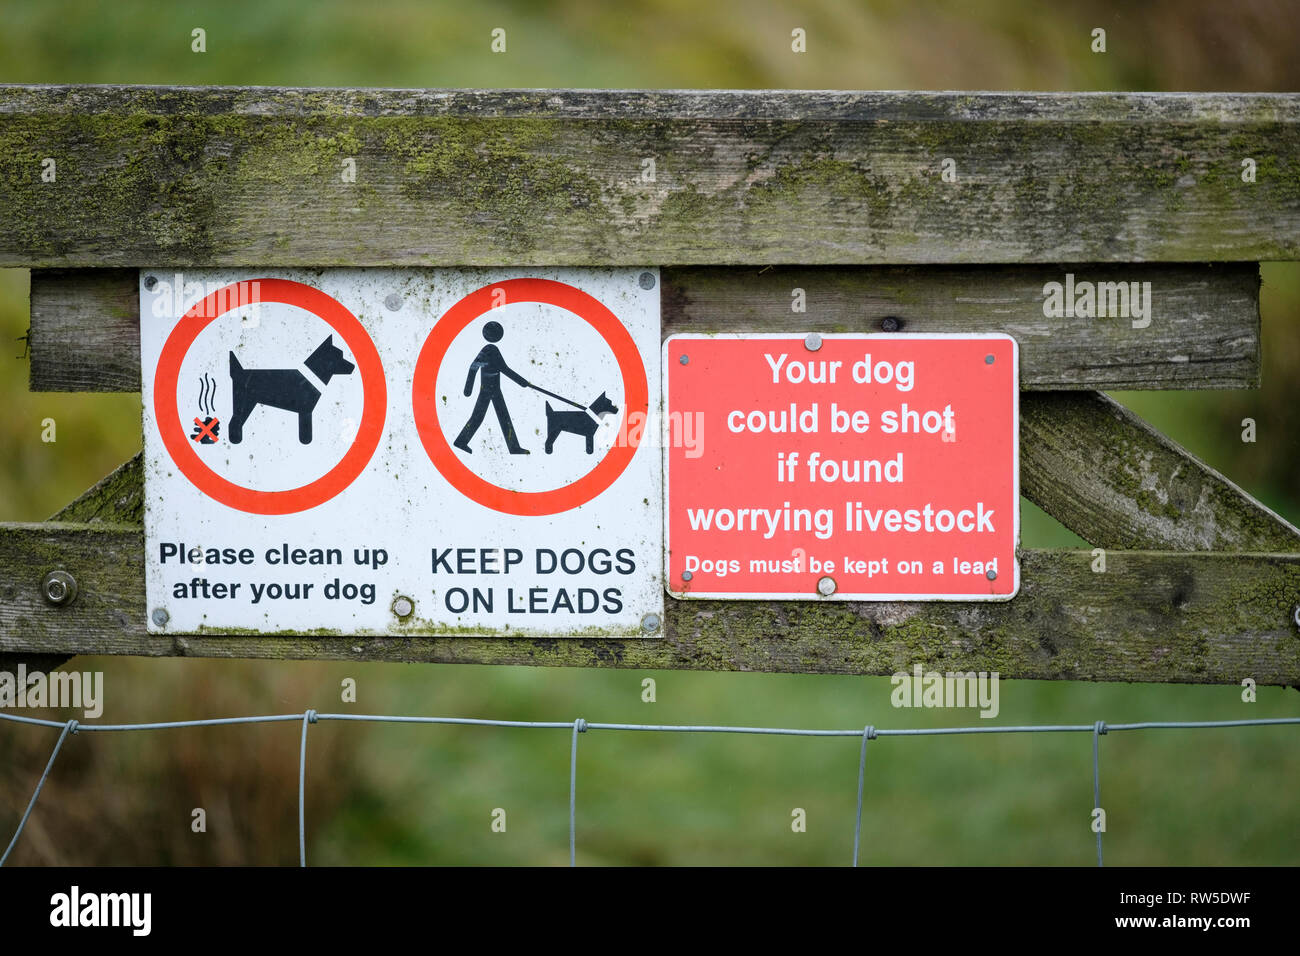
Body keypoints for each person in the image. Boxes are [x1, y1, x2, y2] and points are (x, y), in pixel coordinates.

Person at [454, 321, 531, 454]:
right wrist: (522, 382)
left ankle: (513, 447)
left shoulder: (489, 350)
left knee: (501, 417)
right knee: (484, 417)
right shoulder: (491, 350)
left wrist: (468, 389)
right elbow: (502, 369)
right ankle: (461, 441)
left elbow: (475, 368)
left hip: (494, 389)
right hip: (488, 390)